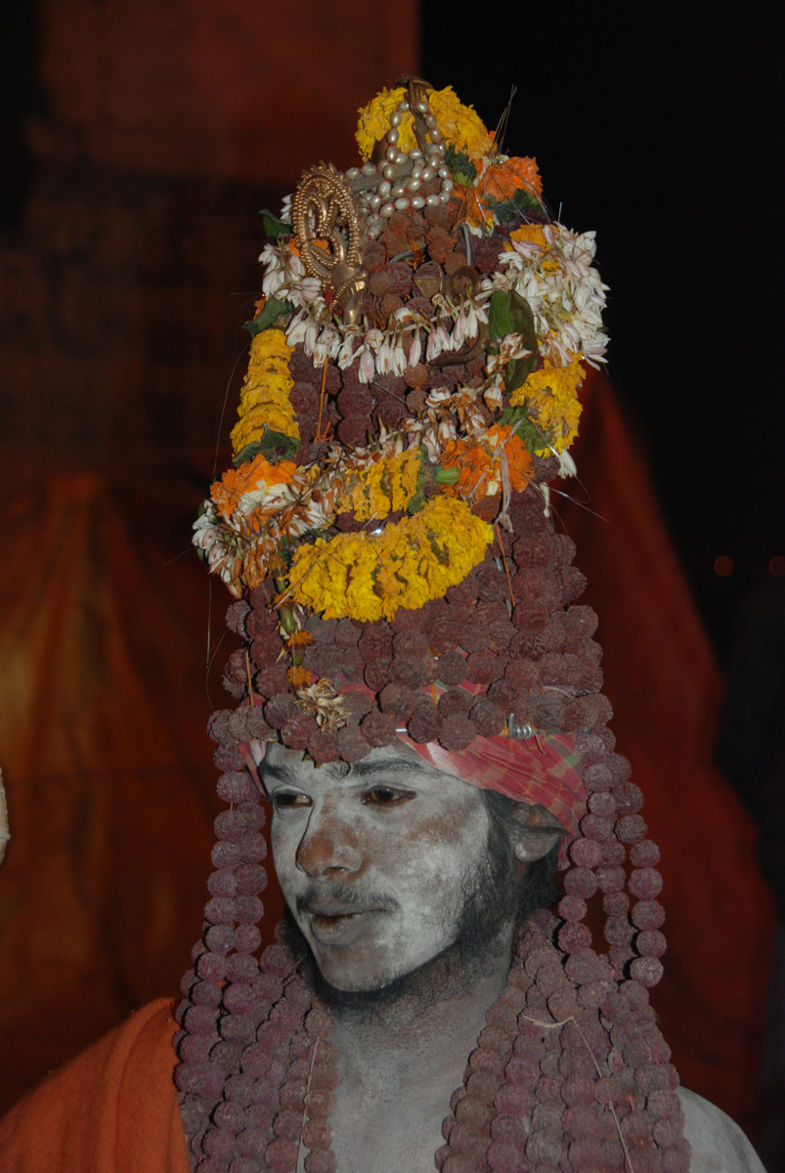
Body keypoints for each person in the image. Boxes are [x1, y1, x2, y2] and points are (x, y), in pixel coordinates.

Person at [0, 80, 768, 1171]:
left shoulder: (665, 1150)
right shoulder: (140, 1111)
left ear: (532, 817)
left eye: (384, 791)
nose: (317, 850)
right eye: (287, 795)